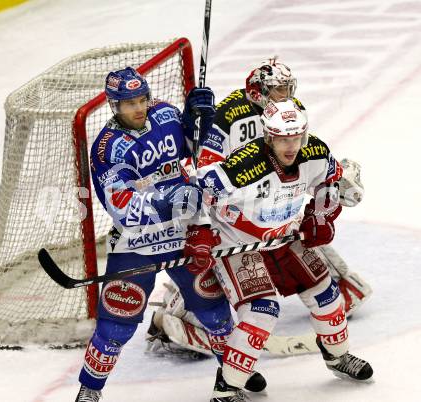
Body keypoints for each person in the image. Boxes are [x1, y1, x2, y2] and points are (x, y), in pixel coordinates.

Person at [145, 57, 371, 360]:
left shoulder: (290, 111)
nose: (285, 96)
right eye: (277, 90)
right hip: (234, 204)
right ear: (257, 93)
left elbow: (304, 156)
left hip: (272, 201)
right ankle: (177, 316)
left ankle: (336, 287)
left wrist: (329, 184)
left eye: (287, 89)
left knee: (303, 232)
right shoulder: (227, 116)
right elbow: (205, 174)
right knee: (217, 260)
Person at [184, 99, 373, 402]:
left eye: (296, 138)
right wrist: (200, 232)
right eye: (283, 139)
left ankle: (337, 358)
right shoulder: (244, 166)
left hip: (282, 234)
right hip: (236, 241)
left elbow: (332, 182)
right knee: (261, 311)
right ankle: (227, 388)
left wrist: (320, 215)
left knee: (327, 295)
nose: (290, 146)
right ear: (269, 137)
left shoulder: (315, 152)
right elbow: (196, 191)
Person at [74, 67, 236, 402]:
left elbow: (193, 150)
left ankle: (234, 377)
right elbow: (120, 206)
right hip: (138, 241)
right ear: (113, 106)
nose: (137, 107)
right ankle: (89, 390)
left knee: (214, 311)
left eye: (141, 99)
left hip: (184, 233)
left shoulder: (164, 113)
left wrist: (199, 120)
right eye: (128, 102)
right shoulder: (108, 148)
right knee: (116, 323)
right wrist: (168, 200)